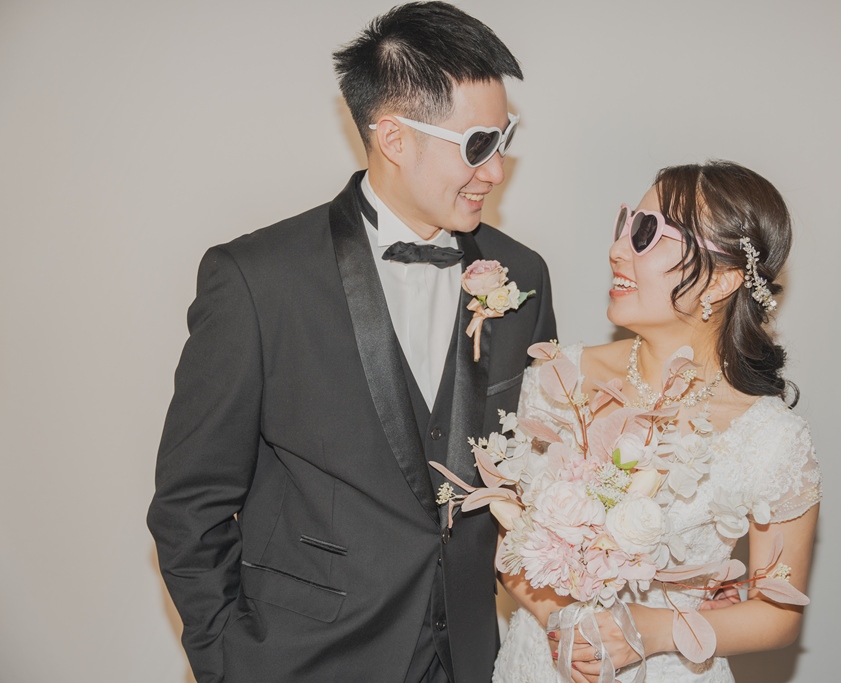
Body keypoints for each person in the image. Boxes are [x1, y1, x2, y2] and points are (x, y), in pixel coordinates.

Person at [147, 3, 556, 682]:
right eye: (478, 144)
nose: (496, 170)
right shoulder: (258, 279)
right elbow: (190, 503)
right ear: (393, 137)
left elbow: (536, 480)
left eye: (503, 138)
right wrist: (229, 664)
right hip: (305, 661)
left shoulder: (523, 275)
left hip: (467, 659)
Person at [493, 161, 821, 683]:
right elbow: (506, 537)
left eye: (646, 233)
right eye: (625, 225)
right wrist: (562, 625)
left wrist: (653, 629)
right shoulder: (559, 379)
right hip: (539, 663)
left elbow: (778, 614)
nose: (616, 250)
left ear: (722, 280)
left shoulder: (770, 438)